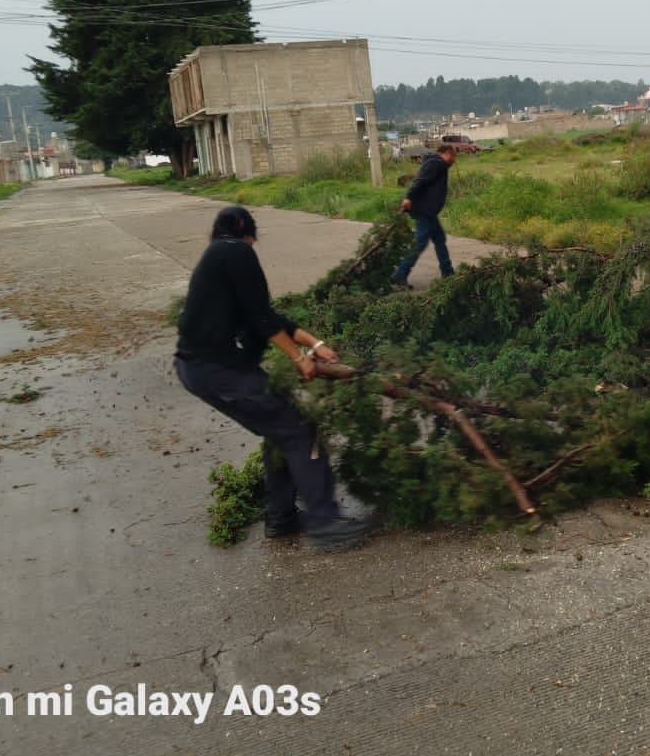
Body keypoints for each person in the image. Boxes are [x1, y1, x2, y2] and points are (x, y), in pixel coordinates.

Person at [174, 206, 374, 552]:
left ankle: (280, 518)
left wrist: (316, 345)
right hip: (215, 369)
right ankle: (326, 525)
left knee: (279, 428)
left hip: (207, 368)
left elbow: (266, 315)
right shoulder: (235, 251)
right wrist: (299, 358)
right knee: (298, 429)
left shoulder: (219, 255)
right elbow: (261, 317)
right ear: (247, 233)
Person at [392, 142, 457, 288]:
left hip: (429, 211)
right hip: (424, 210)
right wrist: (408, 197)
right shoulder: (436, 163)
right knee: (420, 243)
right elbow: (419, 180)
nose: (454, 160)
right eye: (453, 156)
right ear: (446, 153)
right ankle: (400, 275)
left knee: (440, 239)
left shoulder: (438, 164)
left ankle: (448, 273)